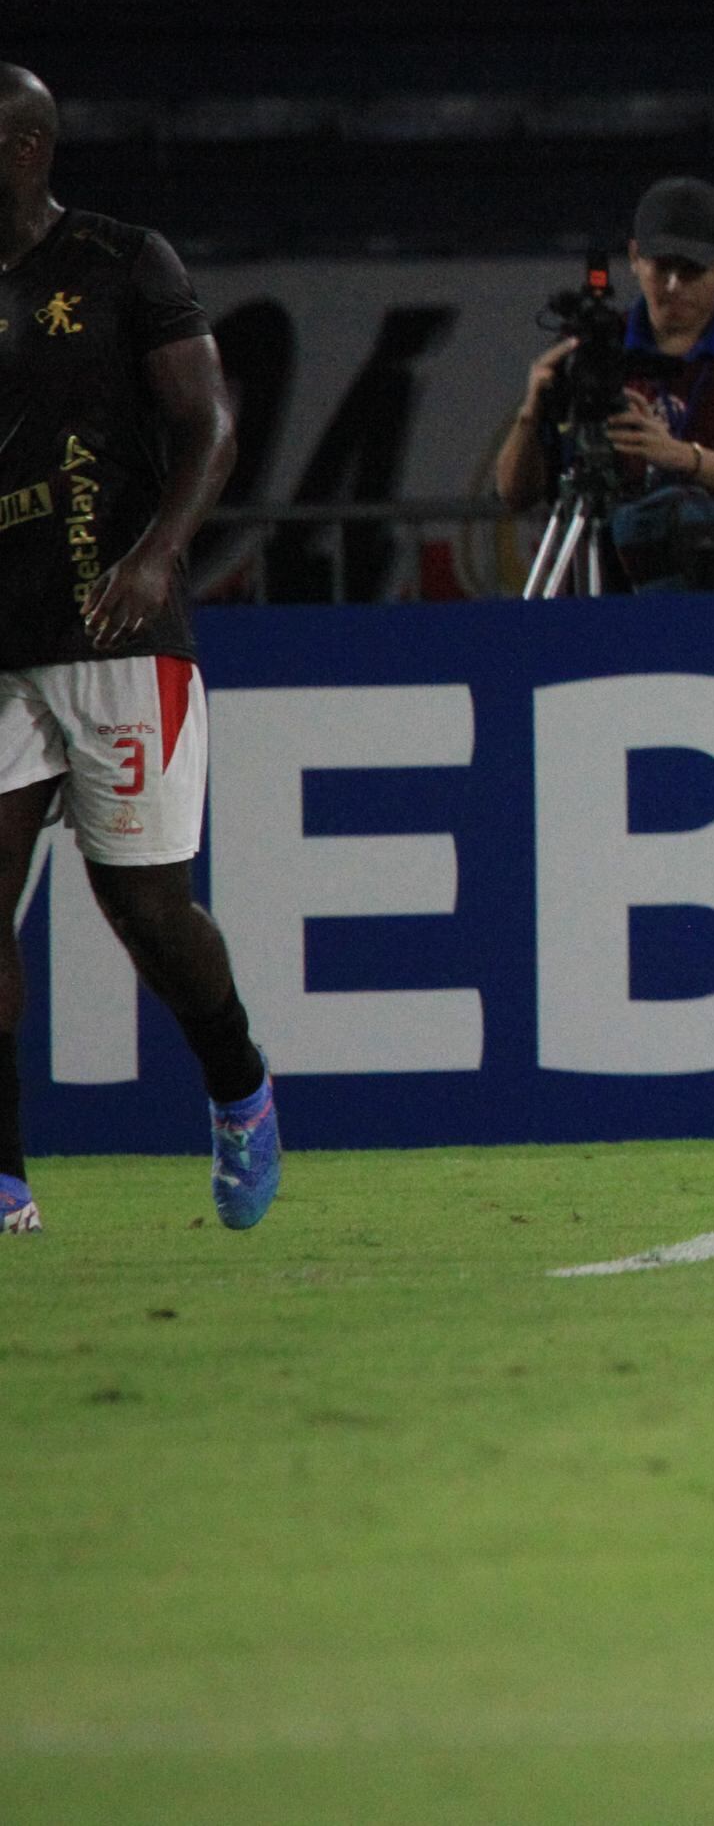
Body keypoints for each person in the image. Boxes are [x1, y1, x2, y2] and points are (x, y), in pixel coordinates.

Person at [0, 65, 276, 1240]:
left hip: (114, 631)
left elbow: (209, 422)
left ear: (25, 149)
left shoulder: (121, 263)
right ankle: (6, 1179)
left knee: (148, 912)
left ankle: (239, 1086)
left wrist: (161, 552)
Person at [492, 178, 714, 589]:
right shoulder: (592, 349)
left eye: (691, 271)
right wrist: (531, 413)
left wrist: (685, 458)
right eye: (661, 266)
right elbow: (514, 495)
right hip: (616, 593)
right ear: (634, 257)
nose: (672, 285)